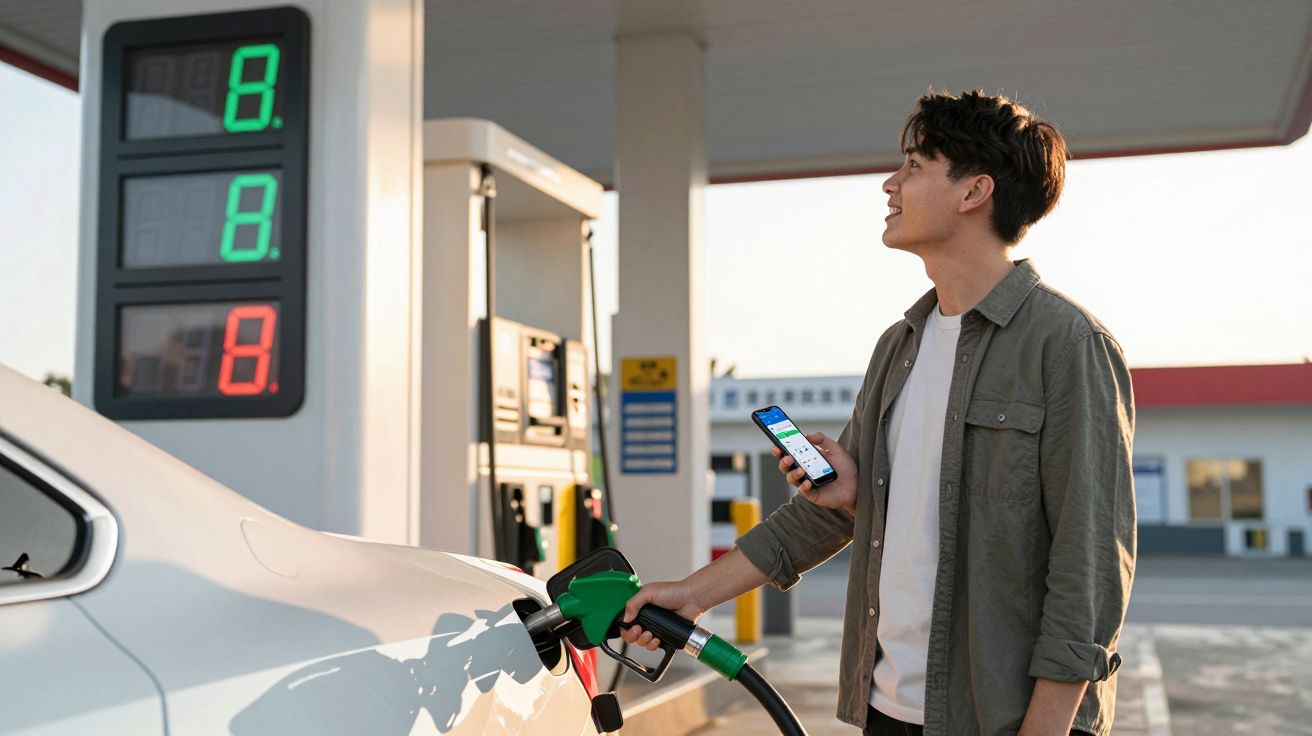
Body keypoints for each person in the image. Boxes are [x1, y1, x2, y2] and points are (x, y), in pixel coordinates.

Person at [619, 89, 1136, 736]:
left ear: (974, 192)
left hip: (1001, 719)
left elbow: (1089, 571)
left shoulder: (1067, 346)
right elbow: (822, 516)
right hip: (890, 709)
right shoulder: (900, 347)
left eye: (915, 166)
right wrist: (690, 595)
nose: (891, 183)